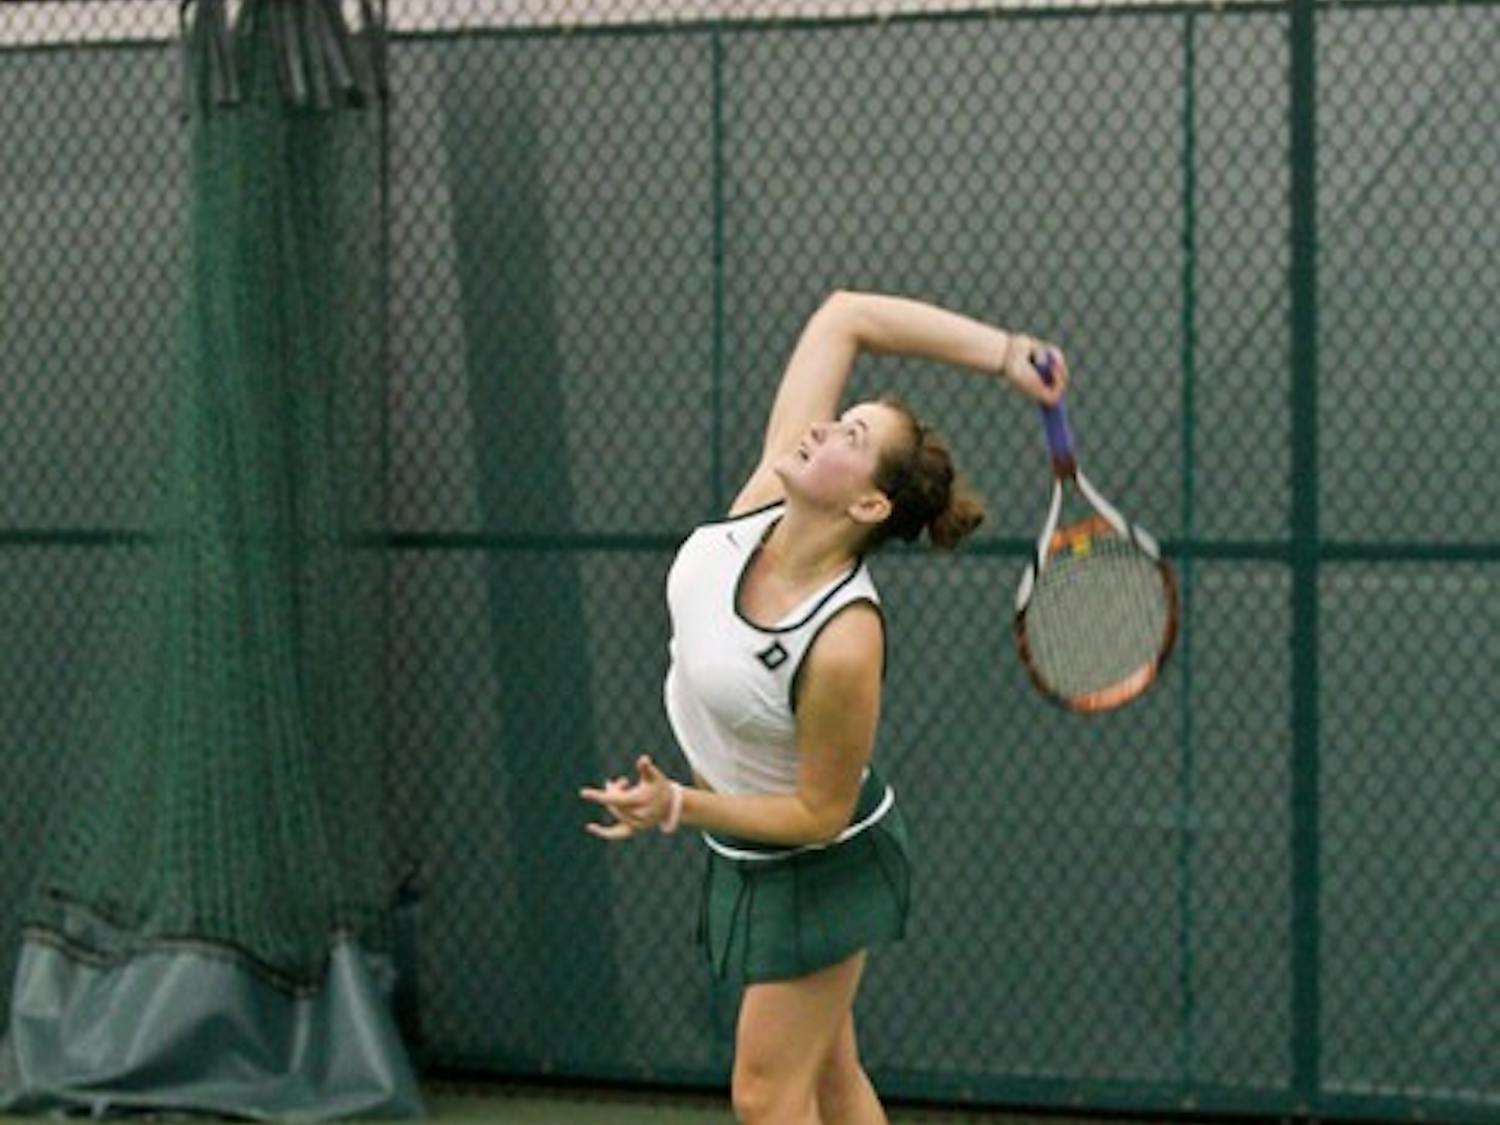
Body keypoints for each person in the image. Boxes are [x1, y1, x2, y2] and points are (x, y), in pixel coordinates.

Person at [580, 291, 1067, 1125]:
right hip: (748, 841)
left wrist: (679, 805)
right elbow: (845, 316)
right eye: (841, 418)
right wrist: (1005, 350)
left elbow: (817, 813)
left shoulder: (844, 638)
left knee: (766, 1094)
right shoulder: (760, 502)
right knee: (833, 1080)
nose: (825, 428)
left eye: (854, 437)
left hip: (820, 861)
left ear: (870, 505)